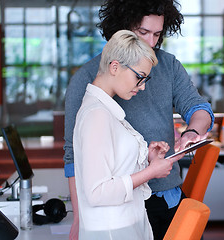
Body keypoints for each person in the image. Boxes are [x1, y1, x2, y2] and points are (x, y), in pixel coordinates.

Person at [63, 0, 214, 239]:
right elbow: (74, 156)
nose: (151, 42)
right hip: (120, 207)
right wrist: (80, 218)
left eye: (157, 34)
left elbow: (199, 108)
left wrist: (191, 134)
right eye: (143, 32)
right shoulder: (88, 80)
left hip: (165, 196)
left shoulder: (168, 65)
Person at [74, 30, 175, 239]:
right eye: (139, 77)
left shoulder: (105, 109)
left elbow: (114, 167)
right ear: (114, 66)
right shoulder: (97, 114)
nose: (143, 86)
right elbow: (97, 192)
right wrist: (151, 172)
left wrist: (148, 159)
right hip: (113, 231)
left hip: (123, 226)